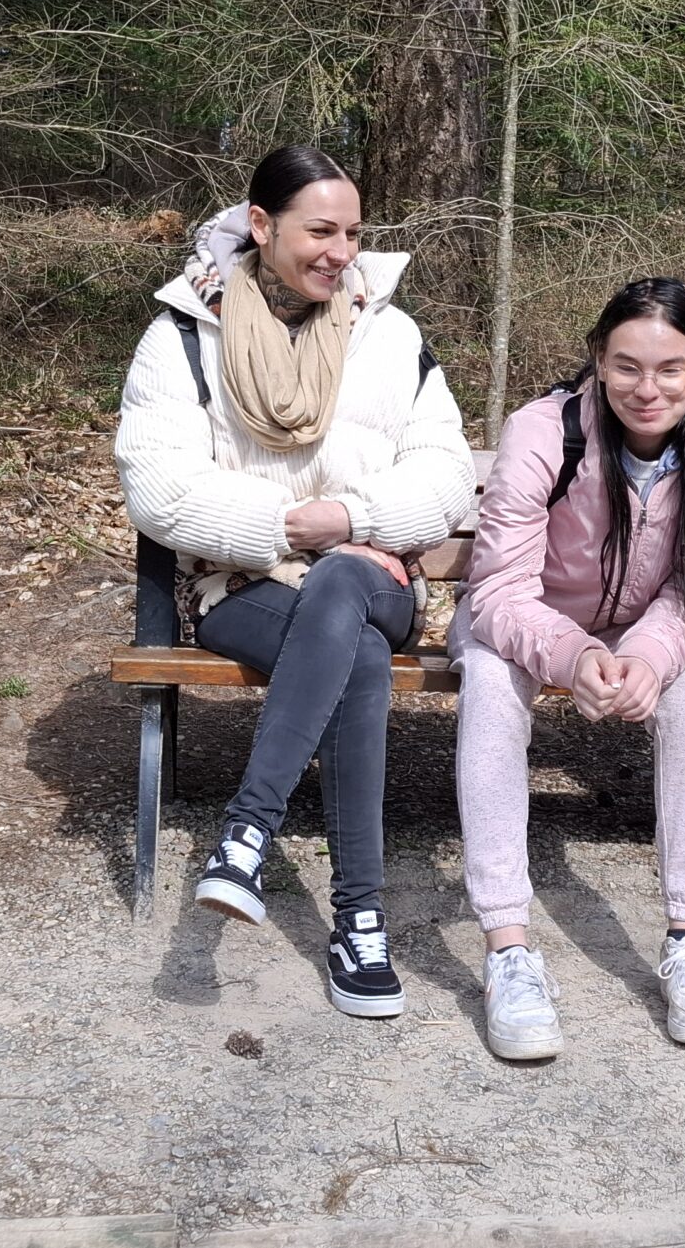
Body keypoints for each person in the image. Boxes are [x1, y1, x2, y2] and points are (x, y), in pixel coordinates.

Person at [114, 146, 473, 1019]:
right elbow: (158, 487)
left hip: (378, 574)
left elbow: (448, 474)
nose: (340, 252)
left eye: (352, 232)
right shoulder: (182, 336)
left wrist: (345, 521)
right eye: (320, 231)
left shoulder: (390, 333)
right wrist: (287, 527)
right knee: (356, 652)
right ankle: (360, 920)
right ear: (262, 225)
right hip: (242, 586)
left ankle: (247, 830)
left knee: (344, 583)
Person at [451, 279, 685, 1060]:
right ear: (597, 359)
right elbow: (497, 591)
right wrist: (575, 653)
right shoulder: (543, 432)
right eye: (626, 367)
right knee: (490, 684)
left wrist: (647, 656)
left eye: (669, 368)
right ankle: (507, 946)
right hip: (527, 617)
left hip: (644, 627)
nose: (646, 389)